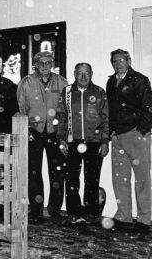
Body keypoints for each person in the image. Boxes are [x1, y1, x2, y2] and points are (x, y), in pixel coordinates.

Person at [106, 49, 152, 233]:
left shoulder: (139, 80)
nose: (118, 63)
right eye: (115, 61)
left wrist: (142, 130)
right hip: (117, 137)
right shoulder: (111, 81)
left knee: (142, 178)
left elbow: (150, 107)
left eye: (121, 60)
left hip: (135, 135)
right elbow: (111, 108)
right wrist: (111, 131)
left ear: (129, 61)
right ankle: (124, 216)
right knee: (120, 178)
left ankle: (144, 220)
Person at [16, 50, 68, 224]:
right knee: (34, 173)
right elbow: (20, 110)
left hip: (55, 133)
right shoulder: (26, 82)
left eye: (48, 62)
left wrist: (62, 135)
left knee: (57, 174)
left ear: (52, 64)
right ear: (35, 65)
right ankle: (36, 210)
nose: (45, 66)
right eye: (41, 63)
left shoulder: (61, 82)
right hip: (34, 133)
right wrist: (26, 130)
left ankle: (55, 210)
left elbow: (66, 112)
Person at [58, 63, 109, 224]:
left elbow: (106, 118)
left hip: (94, 142)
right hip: (72, 143)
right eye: (79, 73)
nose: (83, 76)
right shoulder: (66, 92)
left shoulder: (99, 92)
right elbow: (60, 118)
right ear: (74, 74)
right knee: (72, 179)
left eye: (86, 73)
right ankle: (73, 212)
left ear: (92, 74)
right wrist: (61, 139)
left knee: (92, 179)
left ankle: (91, 213)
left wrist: (105, 141)